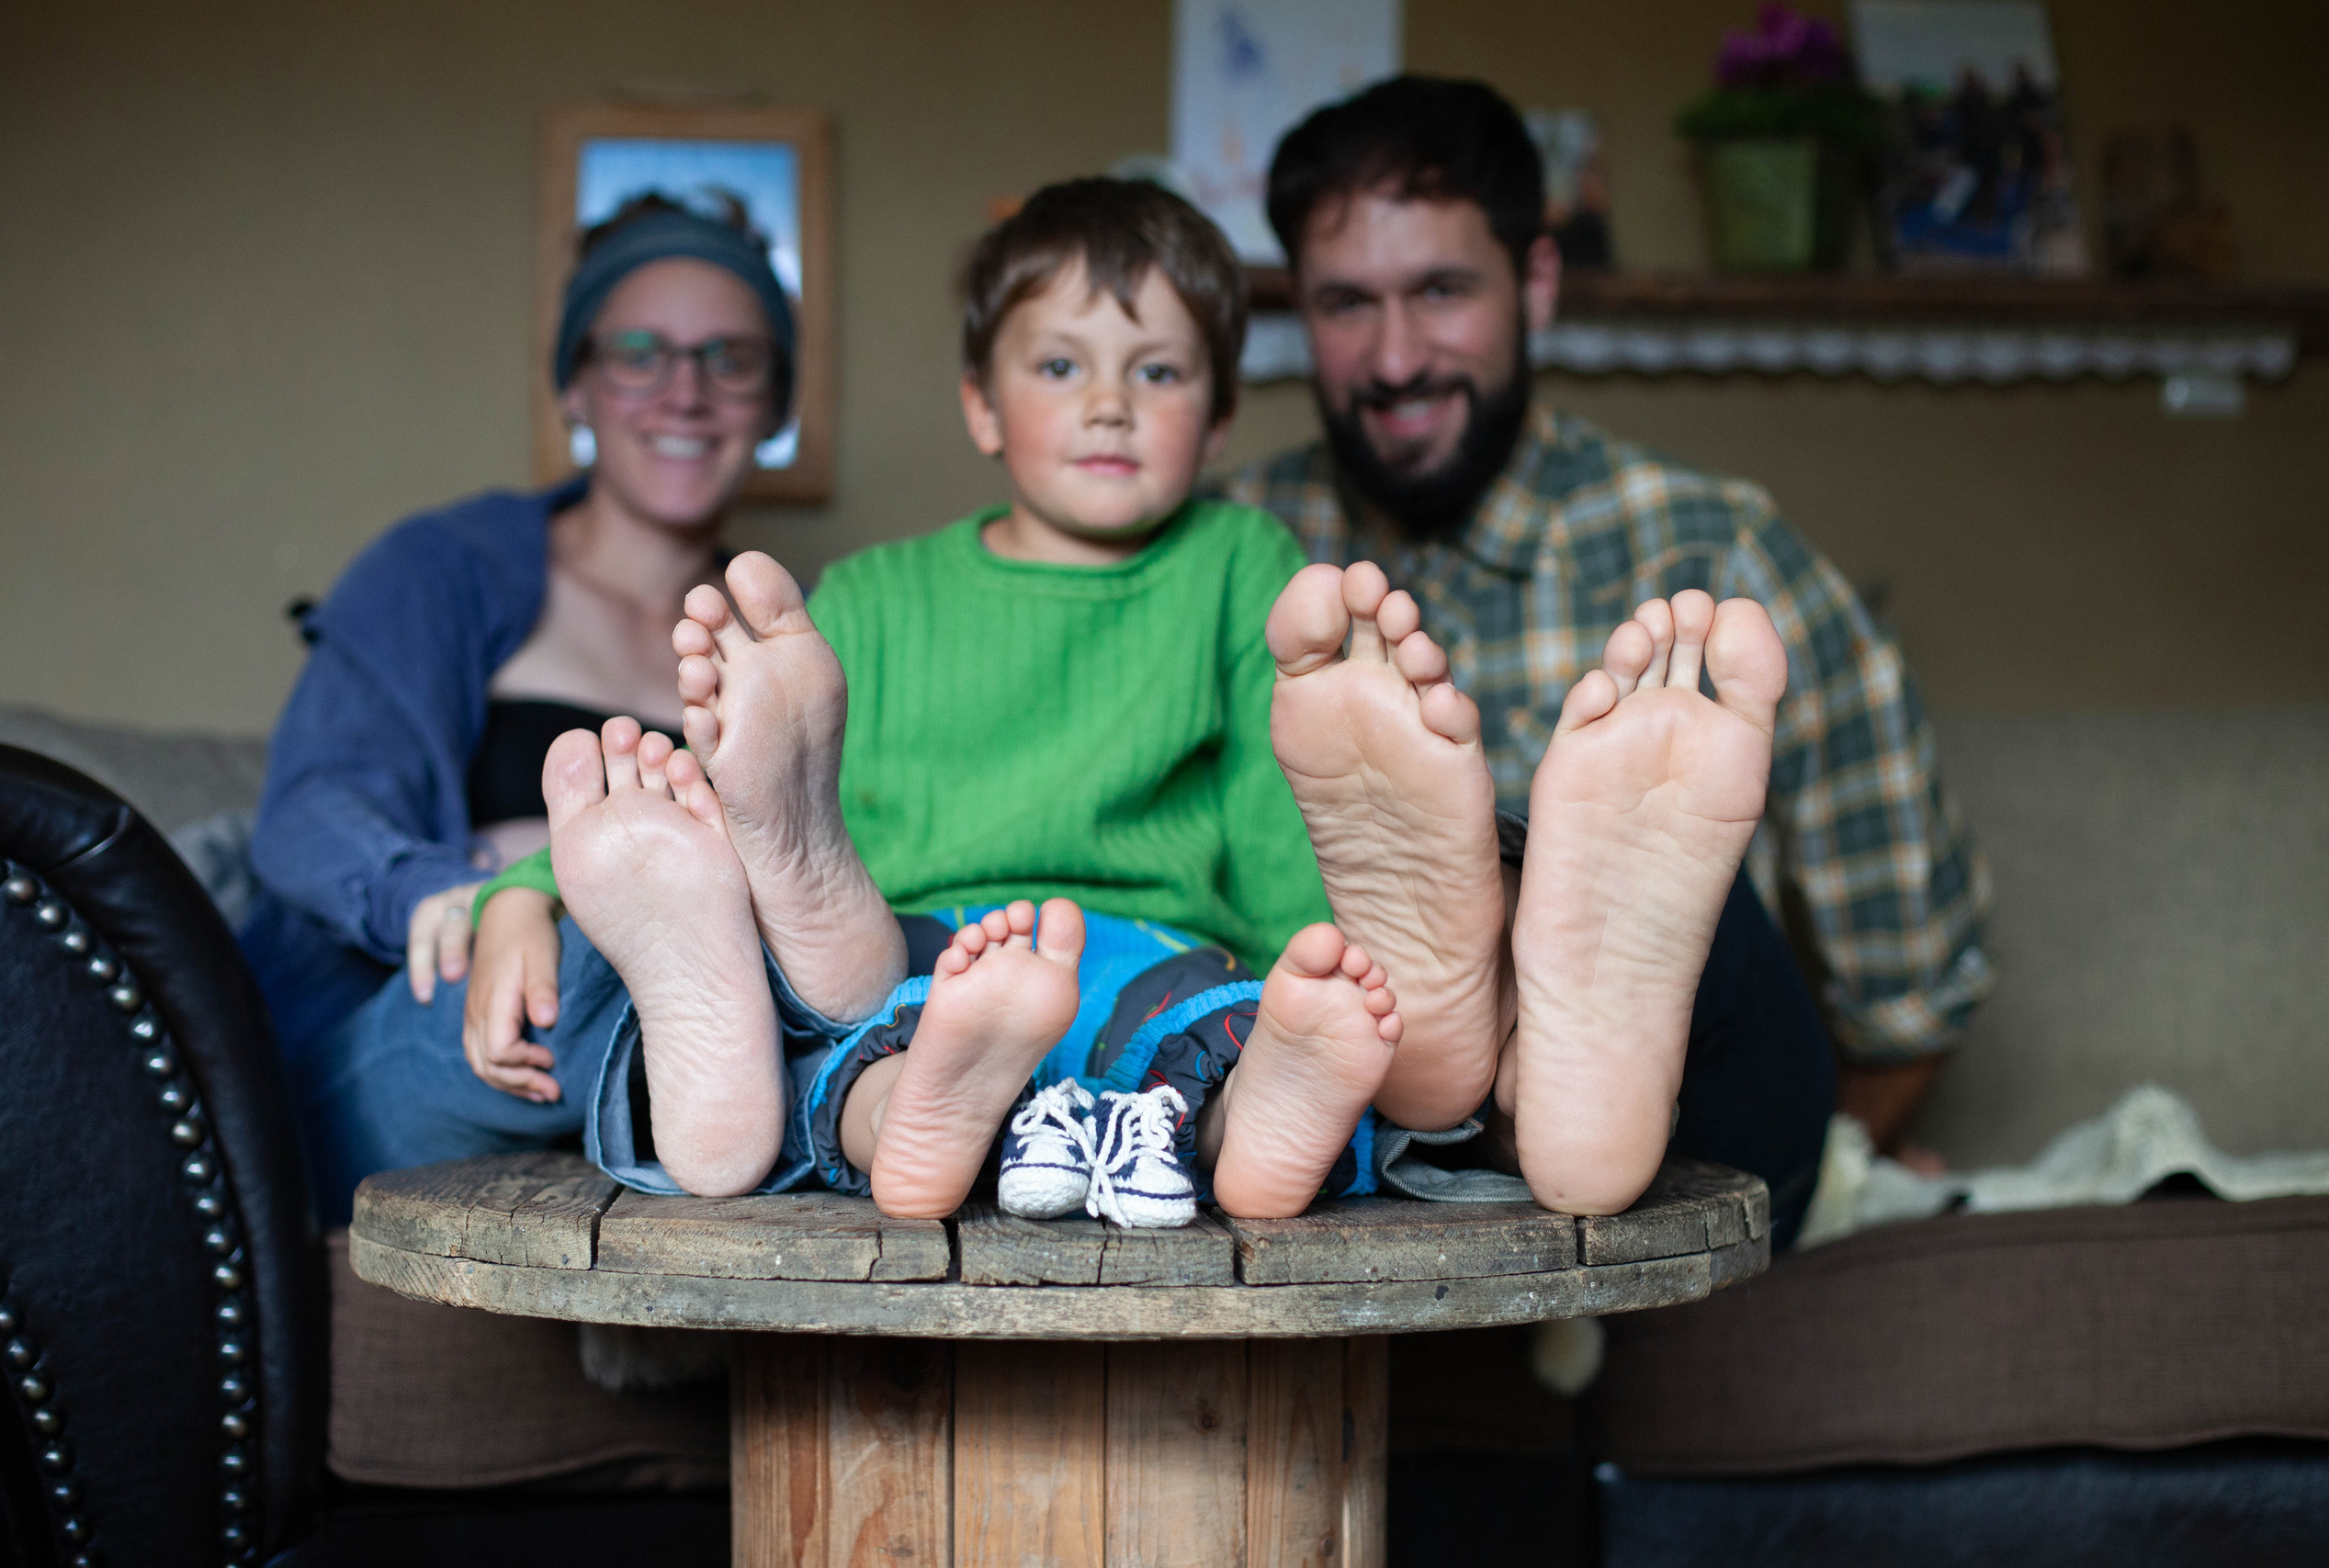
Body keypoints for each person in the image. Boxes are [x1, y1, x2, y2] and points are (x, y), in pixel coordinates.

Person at [487, 176, 1798, 1235]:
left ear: (1221, 415)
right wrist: (537, 889)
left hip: (1089, 960)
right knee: (931, 1019)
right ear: (979, 405)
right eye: (1060, 365)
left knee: (1191, 1042)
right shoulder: (865, 601)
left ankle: (1247, 1076)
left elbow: (1301, 809)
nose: (1110, 401)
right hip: (958, 961)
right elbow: (699, 788)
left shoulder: (1245, 575)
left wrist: (1338, 964)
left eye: (1158, 373)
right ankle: (830, 927)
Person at [1227, 76, 1994, 1236]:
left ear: (1534, 283)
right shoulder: (1237, 555)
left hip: (1691, 1135)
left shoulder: (1709, 548)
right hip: (1326, 1135)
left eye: (1439, 291)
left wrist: (1812, 1179)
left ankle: (1568, 1025)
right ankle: (1463, 1064)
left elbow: (1909, 988)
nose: (1392, 358)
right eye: (1344, 304)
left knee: (1683, 899)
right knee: (1321, 988)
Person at [243, 191, 819, 1221]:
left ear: (773, 407)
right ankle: (650, 1005)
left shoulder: (784, 636)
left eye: (730, 360)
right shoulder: (440, 572)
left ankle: (734, 1087)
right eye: (639, 352)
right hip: (446, 1019)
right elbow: (311, 809)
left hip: (709, 1020)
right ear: (575, 386)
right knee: (573, 977)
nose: (684, 393)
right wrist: (449, 895)